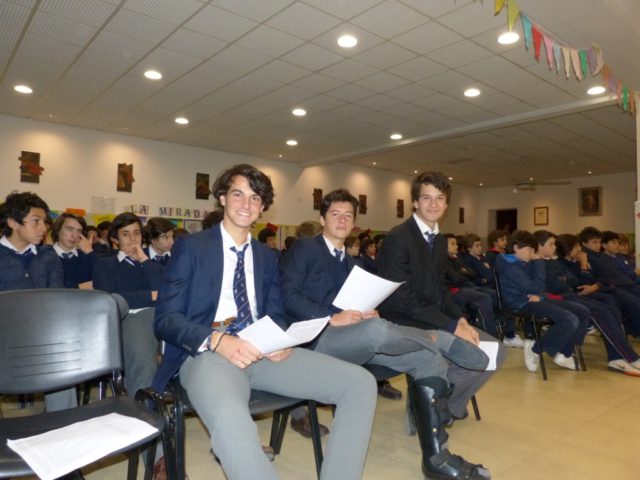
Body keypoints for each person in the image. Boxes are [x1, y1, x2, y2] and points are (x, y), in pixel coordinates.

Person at [152, 164, 377, 480]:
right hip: (208, 352)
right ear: (222, 198)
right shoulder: (192, 247)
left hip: (262, 351)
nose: (246, 204)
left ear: (262, 208)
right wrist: (218, 340)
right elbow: (166, 319)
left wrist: (277, 339)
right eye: (238, 194)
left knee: (360, 383)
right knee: (231, 414)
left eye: (255, 198)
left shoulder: (266, 256)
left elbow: (275, 313)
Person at [280, 188, 491, 480]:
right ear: (322, 219)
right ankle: (437, 338)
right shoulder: (305, 248)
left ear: (354, 222)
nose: (342, 220)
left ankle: (436, 458)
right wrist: (331, 316)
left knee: (427, 359)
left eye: (348, 215)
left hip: (353, 339)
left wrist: (366, 310)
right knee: (380, 331)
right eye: (335, 214)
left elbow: (353, 303)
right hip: (315, 340)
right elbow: (288, 295)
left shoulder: (350, 262)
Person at [377, 172, 505, 405]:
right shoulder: (399, 238)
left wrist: (460, 320)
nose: (433, 204)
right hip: (403, 320)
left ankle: (445, 407)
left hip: (431, 316)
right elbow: (400, 300)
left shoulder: (439, 239)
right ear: (415, 202)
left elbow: (440, 288)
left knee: (496, 350)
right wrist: (451, 326)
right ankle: (432, 408)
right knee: (473, 357)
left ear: (446, 205)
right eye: (426, 197)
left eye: (440, 198)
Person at [0, 191, 76, 412]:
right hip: (5, 336)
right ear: (13, 222)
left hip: (42, 336)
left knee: (63, 356)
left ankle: (63, 424)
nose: (43, 228)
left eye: (45, 222)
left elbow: (57, 301)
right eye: (36, 221)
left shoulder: (48, 257)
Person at [495, 230, 589, 372]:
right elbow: (534, 287)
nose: (532, 254)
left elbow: (538, 287)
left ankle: (564, 353)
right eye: (529, 250)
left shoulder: (523, 261)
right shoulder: (509, 265)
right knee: (570, 320)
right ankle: (536, 350)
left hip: (534, 299)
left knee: (582, 311)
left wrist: (540, 296)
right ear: (516, 248)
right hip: (519, 304)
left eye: (533, 250)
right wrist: (538, 262)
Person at [553, 233, 640, 375]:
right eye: (576, 247)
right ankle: (630, 356)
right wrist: (584, 266)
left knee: (612, 307)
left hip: (588, 294)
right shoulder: (562, 263)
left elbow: (594, 279)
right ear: (569, 249)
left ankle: (616, 357)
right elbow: (579, 285)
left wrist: (593, 282)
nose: (580, 250)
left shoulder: (576, 261)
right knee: (605, 311)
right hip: (574, 297)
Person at [579, 226, 640, 336]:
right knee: (635, 304)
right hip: (606, 289)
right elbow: (598, 278)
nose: (598, 245)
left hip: (609, 286)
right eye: (594, 242)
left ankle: (629, 329)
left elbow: (607, 276)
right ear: (584, 243)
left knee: (635, 302)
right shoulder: (586, 257)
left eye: (599, 242)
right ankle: (629, 329)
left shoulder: (599, 256)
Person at [51, 213, 97, 289]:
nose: (74, 235)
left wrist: (90, 252)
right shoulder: (43, 256)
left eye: (79, 231)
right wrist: (80, 287)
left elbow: (106, 279)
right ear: (58, 230)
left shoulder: (87, 256)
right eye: (70, 229)